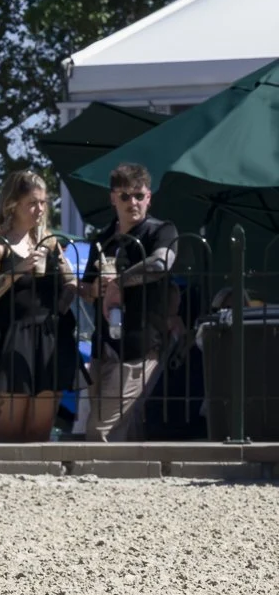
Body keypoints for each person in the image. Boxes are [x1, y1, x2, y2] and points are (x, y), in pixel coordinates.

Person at [0, 171, 81, 443]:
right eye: (32, 203)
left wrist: (59, 309)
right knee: (5, 435)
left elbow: (71, 282)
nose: (40, 209)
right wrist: (18, 271)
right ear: (12, 204)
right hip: (6, 342)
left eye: (44, 202)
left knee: (39, 433)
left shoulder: (48, 241)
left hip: (46, 341)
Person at [79, 163, 179, 441]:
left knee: (100, 431)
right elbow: (87, 288)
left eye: (138, 195)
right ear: (113, 198)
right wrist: (93, 288)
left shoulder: (161, 231)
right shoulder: (103, 239)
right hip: (103, 348)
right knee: (126, 428)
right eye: (125, 196)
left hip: (140, 347)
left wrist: (118, 283)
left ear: (149, 197)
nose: (132, 202)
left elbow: (161, 263)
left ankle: (97, 482)